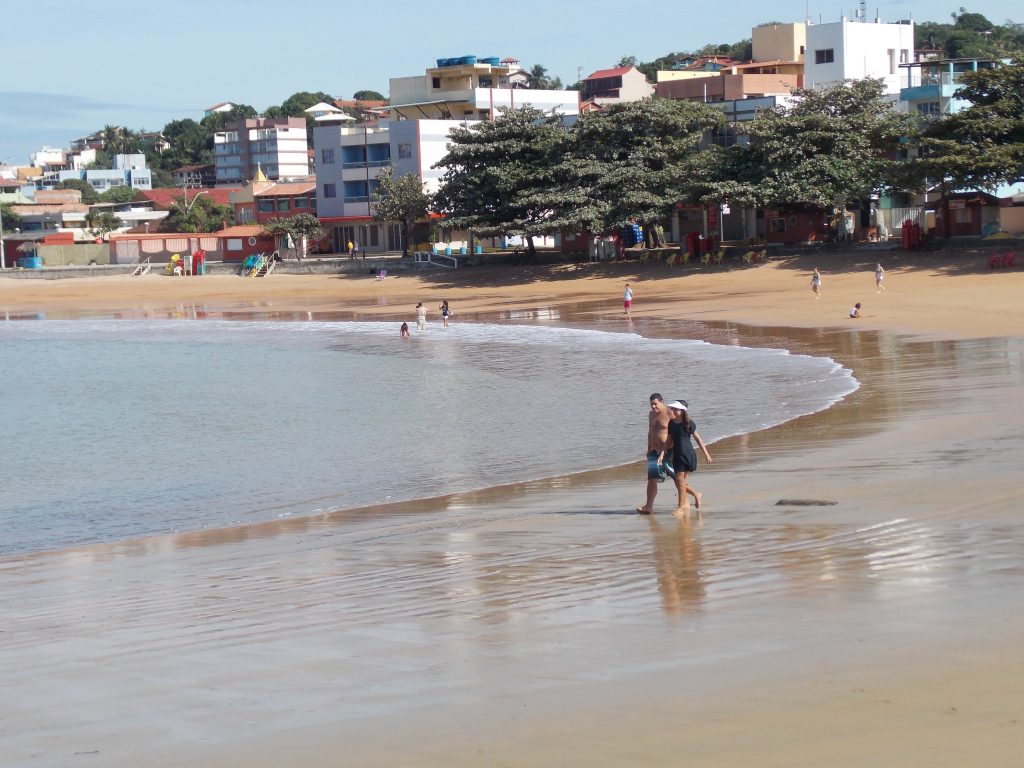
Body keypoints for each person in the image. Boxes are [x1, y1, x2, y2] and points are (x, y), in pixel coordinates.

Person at [665, 400, 712, 518]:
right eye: (673, 409)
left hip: (687, 454)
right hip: (677, 455)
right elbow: (668, 441)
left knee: (680, 482)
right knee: (681, 482)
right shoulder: (671, 423)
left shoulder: (689, 423)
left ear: (682, 411)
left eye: (676, 409)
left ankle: (681, 508)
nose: (673, 411)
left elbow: (698, 439)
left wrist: (706, 453)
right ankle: (695, 495)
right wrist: (662, 454)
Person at [636, 393, 674, 515]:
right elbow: (650, 432)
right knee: (651, 479)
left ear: (662, 401)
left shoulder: (669, 413)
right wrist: (648, 449)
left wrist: (664, 451)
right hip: (654, 451)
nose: (653, 407)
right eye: (651, 404)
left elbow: (673, 434)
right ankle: (649, 507)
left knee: (677, 478)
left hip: (668, 451)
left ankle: (694, 495)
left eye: (655, 404)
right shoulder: (651, 414)